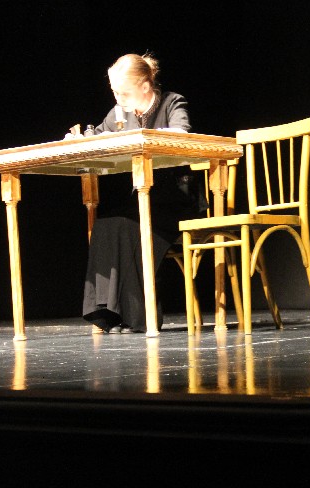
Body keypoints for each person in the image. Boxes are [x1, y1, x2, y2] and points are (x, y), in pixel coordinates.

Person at [78, 53, 205, 333]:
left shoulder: (171, 102)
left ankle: (139, 316)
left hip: (176, 200)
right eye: (115, 92)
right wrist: (80, 139)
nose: (118, 98)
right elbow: (97, 134)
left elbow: (181, 134)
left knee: (126, 226)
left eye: (124, 92)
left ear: (145, 86)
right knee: (106, 225)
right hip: (144, 199)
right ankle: (109, 313)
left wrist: (142, 139)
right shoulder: (120, 113)